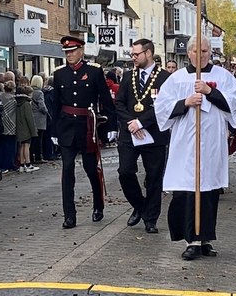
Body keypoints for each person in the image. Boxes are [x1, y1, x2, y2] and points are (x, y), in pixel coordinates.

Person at [156, 37, 236, 260]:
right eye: (196, 50)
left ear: (210, 52)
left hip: (212, 142)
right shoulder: (176, 79)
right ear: (189, 53)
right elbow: (162, 109)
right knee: (187, 190)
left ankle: (205, 238)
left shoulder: (223, 77)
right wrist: (185, 103)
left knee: (208, 190)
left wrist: (209, 92)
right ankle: (191, 240)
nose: (200, 54)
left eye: (204, 50)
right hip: (186, 143)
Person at [49, 35, 117, 228]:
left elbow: (105, 100)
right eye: (66, 52)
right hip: (66, 126)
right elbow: (56, 103)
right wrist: (54, 130)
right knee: (67, 169)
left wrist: (111, 126)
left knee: (90, 168)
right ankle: (69, 215)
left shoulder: (94, 72)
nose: (69, 55)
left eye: (72, 52)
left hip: (87, 126)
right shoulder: (60, 74)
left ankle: (98, 205)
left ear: (81, 51)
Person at [114, 39, 171, 233]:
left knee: (154, 177)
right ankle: (140, 206)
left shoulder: (164, 78)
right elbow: (119, 103)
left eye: (136, 54)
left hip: (154, 134)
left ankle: (151, 219)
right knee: (125, 171)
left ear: (148, 53)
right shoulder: (128, 76)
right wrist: (132, 123)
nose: (133, 57)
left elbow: (164, 106)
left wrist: (142, 122)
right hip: (130, 134)